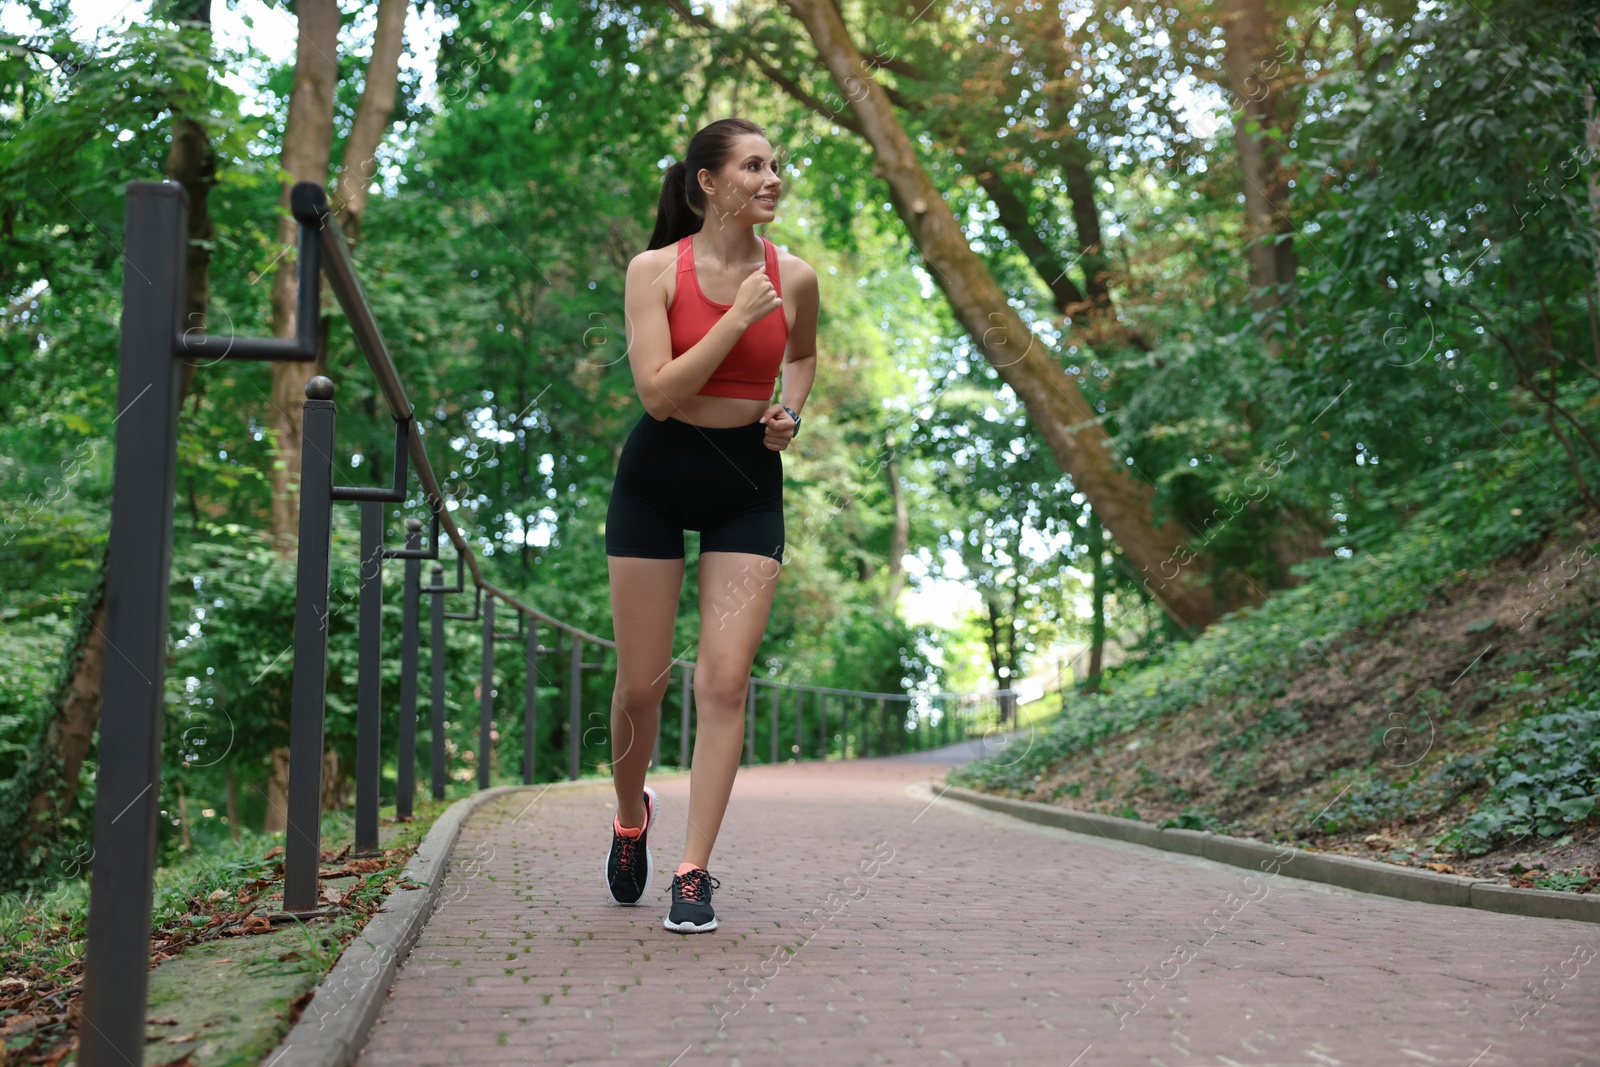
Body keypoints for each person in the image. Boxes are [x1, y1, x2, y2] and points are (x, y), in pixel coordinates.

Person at [602, 118, 819, 933]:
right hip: (656, 478)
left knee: (724, 680)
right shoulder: (654, 271)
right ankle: (632, 818)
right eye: (754, 166)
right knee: (642, 684)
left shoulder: (795, 277)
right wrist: (734, 320)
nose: (772, 178)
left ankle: (693, 871)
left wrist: (789, 413)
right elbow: (656, 393)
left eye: (776, 165)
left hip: (747, 487)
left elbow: (801, 358)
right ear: (708, 182)